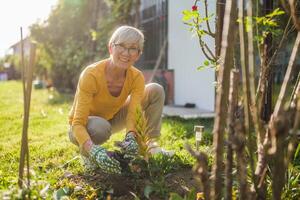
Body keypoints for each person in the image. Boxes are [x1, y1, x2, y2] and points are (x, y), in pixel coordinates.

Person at [68, 25, 168, 174]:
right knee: (100, 127)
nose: (126, 53)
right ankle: (88, 156)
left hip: (112, 119)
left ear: (138, 54)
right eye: (121, 46)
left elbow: (134, 112)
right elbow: (77, 123)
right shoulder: (91, 75)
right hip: (82, 127)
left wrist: (131, 137)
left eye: (133, 48)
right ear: (110, 48)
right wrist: (94, 150)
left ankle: (150, 147)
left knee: (155, 89)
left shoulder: (136, 77)